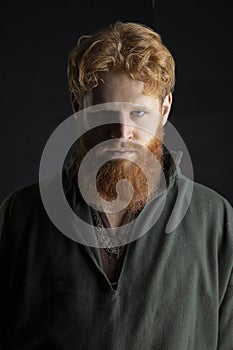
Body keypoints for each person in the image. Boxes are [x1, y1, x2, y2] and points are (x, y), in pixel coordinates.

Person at [0, 21, 232, 350]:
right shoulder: (19, 217)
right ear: (78, 107)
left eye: (138, 113)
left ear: (164, 109)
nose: (122, 133)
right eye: (105, 112)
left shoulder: (217, 223)